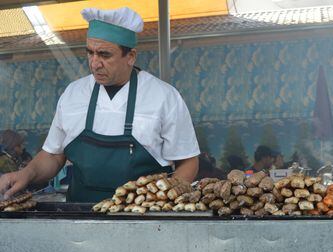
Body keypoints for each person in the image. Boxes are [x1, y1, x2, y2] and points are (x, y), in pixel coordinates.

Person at [0, 7, 199, 202]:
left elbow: (188, 162)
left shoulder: (163, 97)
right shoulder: (73, 94)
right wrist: (26, 174)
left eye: (105, 55)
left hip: (145, 220)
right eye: (90, 53)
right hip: (80, 216)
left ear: (130, 56)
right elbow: (53, 155)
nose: (94, 63)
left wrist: (164, 199)